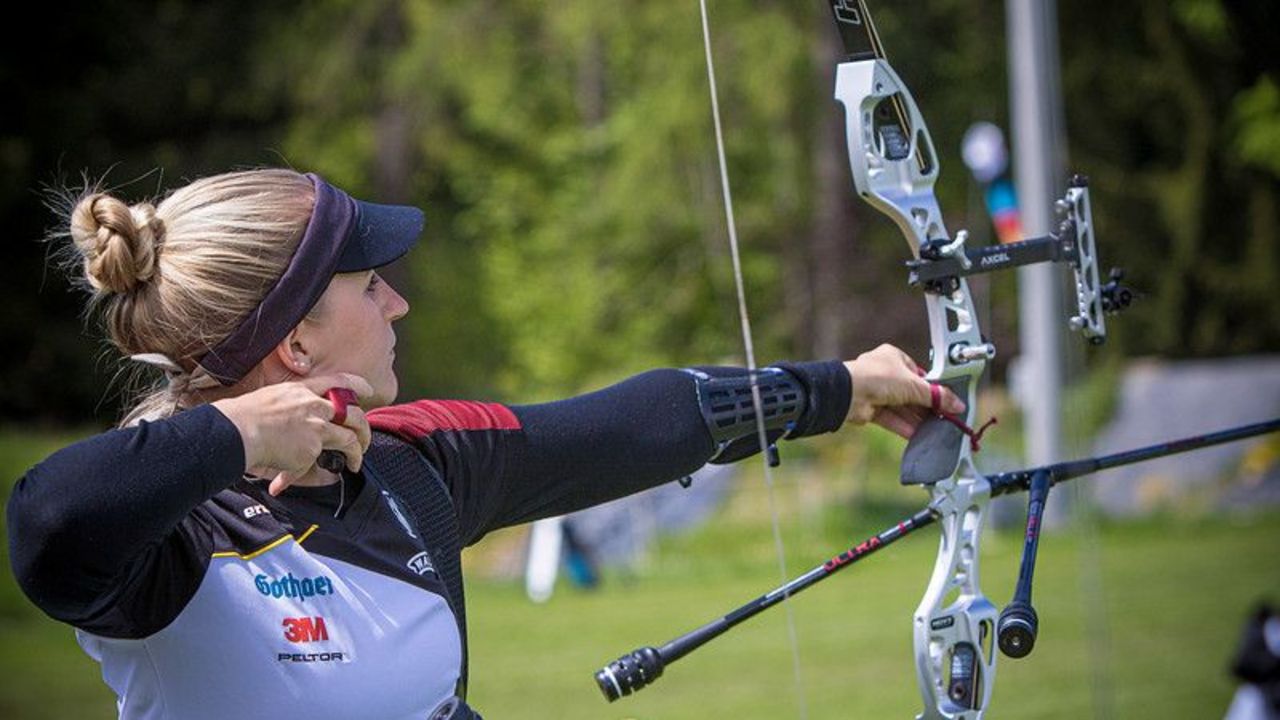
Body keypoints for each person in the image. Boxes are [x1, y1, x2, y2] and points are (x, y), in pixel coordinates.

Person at [6, 168, 963, 720]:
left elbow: (638, 425)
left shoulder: (408, 464)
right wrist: (239, 432)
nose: (398, 302)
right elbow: (49, 523)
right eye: (369, 283)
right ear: (295, 341)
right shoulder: (167, 535)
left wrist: (843, 387)